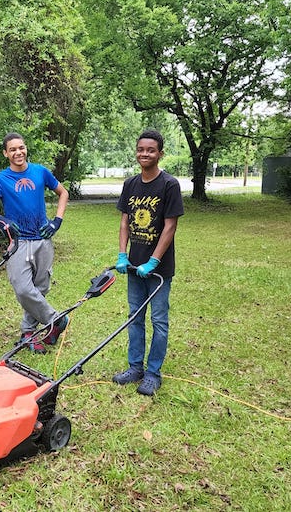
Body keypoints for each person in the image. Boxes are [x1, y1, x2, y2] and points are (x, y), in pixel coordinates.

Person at [0, 132, 70, 354]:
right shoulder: (0, 179)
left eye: (21, 148)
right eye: (12, 149)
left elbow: (63, 192)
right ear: (5, 153)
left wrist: (57, 221)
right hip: (18, 243)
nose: (18, 152)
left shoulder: (40, 172)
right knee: (22, 288)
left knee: (41, 288)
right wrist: (2, 219)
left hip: (43, 239)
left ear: (26, 148)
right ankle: (55, 320)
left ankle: (28, 332)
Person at [113, 129, 184, 396]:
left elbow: (170, 226)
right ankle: (135, 368)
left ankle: (153, 373)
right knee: (135, 317)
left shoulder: (169, 185)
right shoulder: (130, 184)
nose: (145, 154)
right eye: (141, 149)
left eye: (151, 150)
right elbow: (124, 221)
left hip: (159, 270)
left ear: (160, 154)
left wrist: (154, 262)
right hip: (134, 265)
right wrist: (123, 254)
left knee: (159, 320)